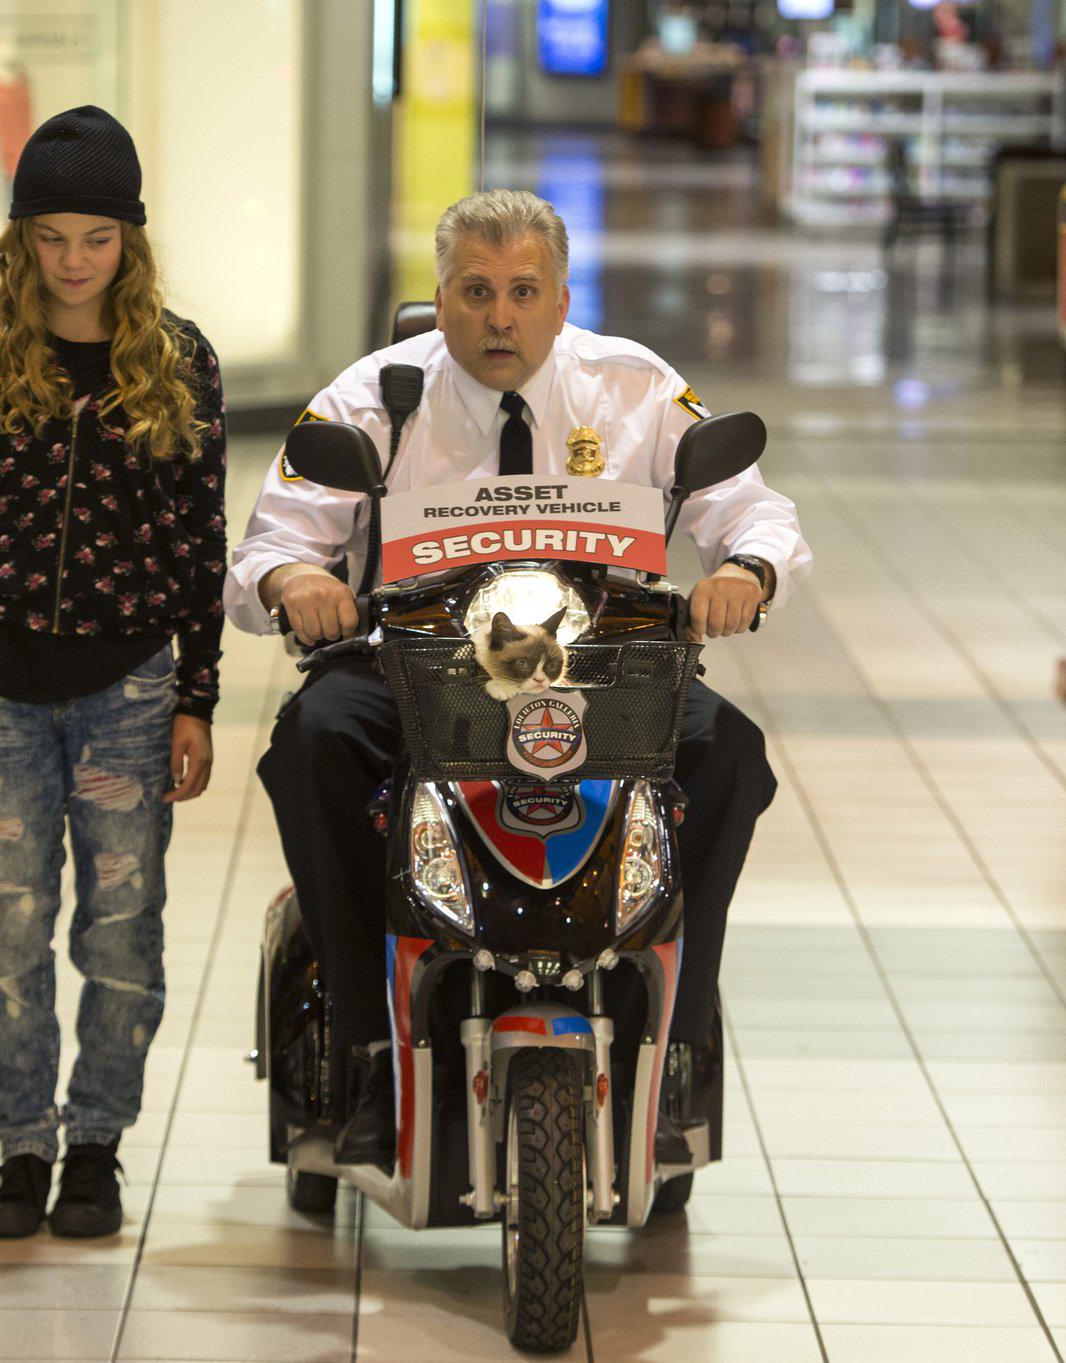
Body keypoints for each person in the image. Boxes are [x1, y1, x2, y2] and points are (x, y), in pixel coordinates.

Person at [227, 189, 809, 1165]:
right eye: (475, 290)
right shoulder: (371, 397)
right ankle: (370, 1046)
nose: (499, 316)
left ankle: (676, 1040)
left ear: (560, 297)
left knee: (726, 755)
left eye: (522, 291)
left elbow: (755, 511)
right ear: (441, 297)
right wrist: (295, 580)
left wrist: (744, 573)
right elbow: (267, 548)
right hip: (410, 672)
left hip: (600, 672)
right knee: (313, 742)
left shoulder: (634, 389)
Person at [0, 105, 226, 1238]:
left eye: (98, 237)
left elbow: (201, 541)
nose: (74, 261)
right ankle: (21, 1146)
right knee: (8, 923)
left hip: (128, 689)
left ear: (129, 242)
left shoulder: (176, 361)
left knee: (121, 926)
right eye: (52, 237)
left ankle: (97, 1143)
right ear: (19, 240)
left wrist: (196, 695)